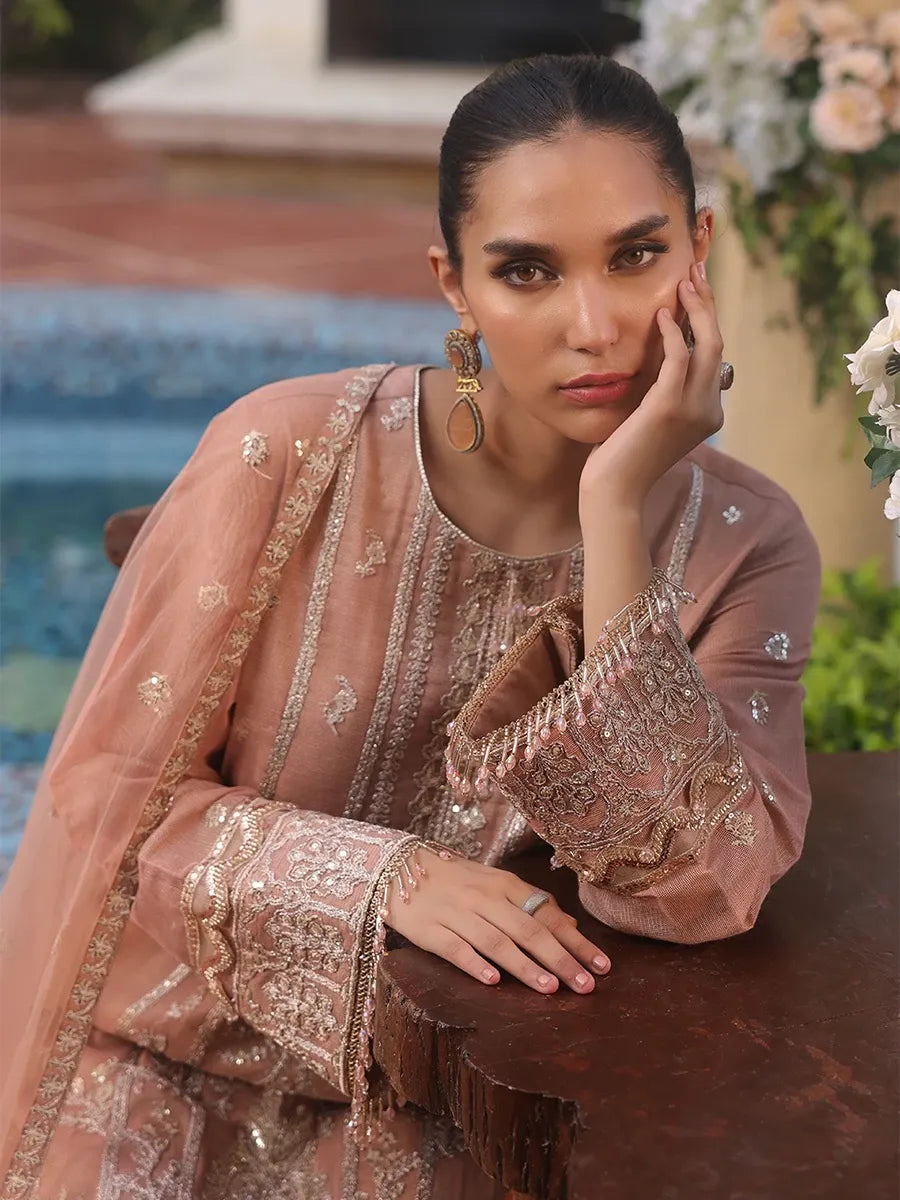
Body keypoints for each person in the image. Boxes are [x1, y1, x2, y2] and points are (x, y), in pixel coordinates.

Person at [0, 53, 820, 1198]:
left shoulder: (748, 544)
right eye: (526, 271)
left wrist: (615, 507)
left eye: (637, 256)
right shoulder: (284, 454)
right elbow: (109, 801)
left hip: (458, 1106)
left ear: (701, 245)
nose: (593, 326)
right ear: (454, 286)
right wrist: (389, 879)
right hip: (171, 1062)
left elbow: (699, 894)